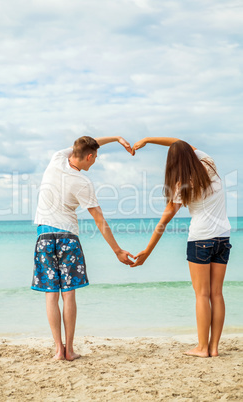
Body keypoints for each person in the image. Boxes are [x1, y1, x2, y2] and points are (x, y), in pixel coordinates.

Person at [31, 136, 134, 361]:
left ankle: (58, 349)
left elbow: (88, 142)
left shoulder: (57, 158)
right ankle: (70, 350)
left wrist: (115, 138)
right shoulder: (83, 182)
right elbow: (99, 219)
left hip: (45, 238)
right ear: (88, 157)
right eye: (94, 158)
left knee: (51, 296)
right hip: (68, 239)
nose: (94, 162)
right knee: (69, 295)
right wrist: (117, 250)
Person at [131, 137, 232, 358]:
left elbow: (163, 223)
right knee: (216, 293)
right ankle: (214, 348)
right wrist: (148, 139)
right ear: (192, 154)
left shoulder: (180, 186)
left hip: (200, 240)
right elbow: (180, 142)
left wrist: (147, 251)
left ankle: (202, 348)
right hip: (223, 238)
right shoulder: (210, 164)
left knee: (202, 295)